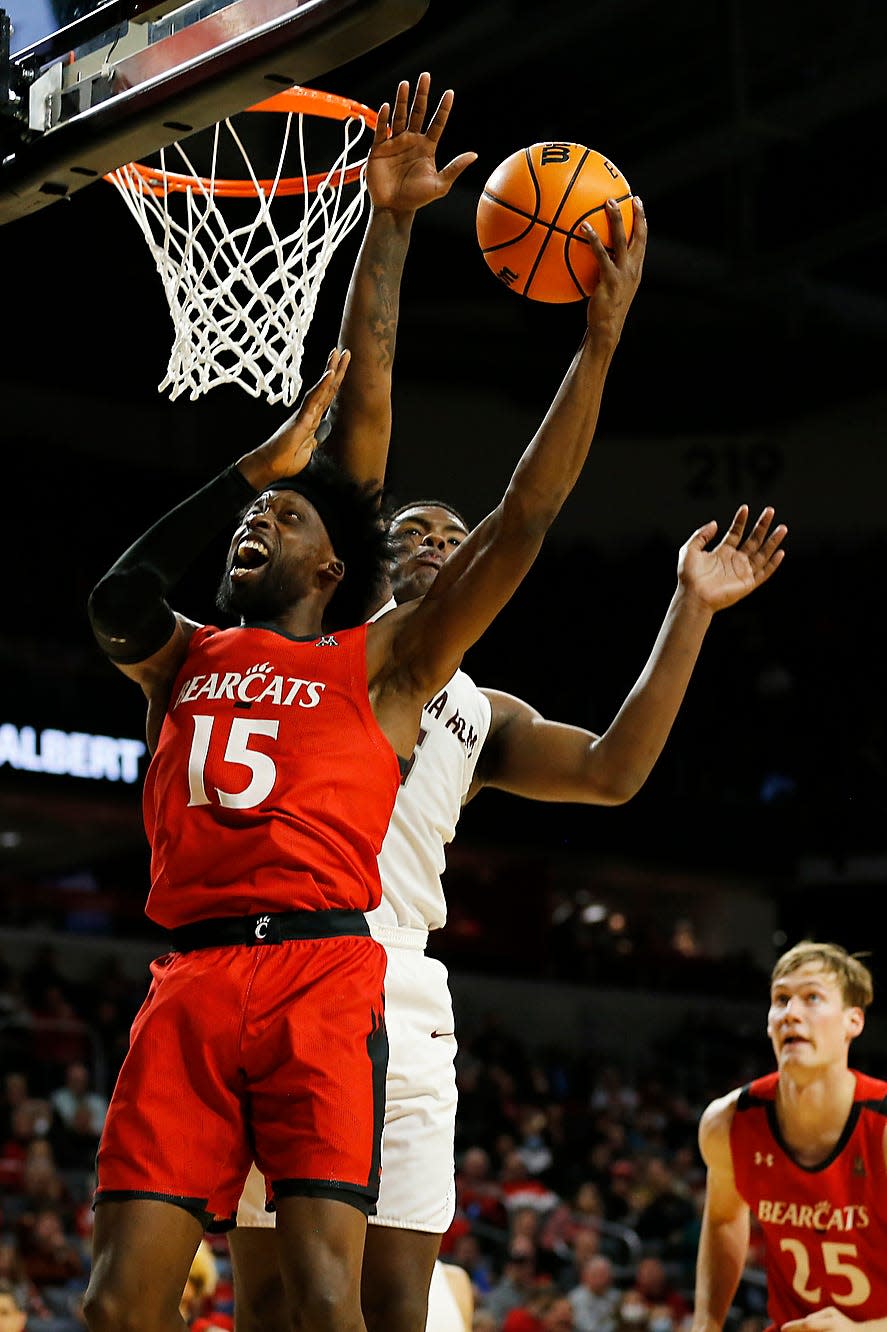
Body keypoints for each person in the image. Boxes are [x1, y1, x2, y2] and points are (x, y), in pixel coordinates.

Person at [80, 64, 647, 1331]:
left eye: (281, 514)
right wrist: (254, 456)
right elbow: (117, 598)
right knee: (121, 1307)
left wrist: (597, 340)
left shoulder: (378, 666)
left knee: (328, 1306)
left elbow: (520, 515)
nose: (257, 522)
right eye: (251, 512)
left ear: (333, 567)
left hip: (329, 982)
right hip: (190, 979)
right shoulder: (185, 654)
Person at [228, 71, 787, 1332]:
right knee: (269, 1305)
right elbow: (369, 385)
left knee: (392, 1306)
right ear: (362, 563)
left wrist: (687, 609)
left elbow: (611, 775)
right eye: (407, 534)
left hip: (405, 995)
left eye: (448, 534)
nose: (431, 545)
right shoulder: (343, 638)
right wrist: (390, 223)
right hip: (285, 968)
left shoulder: (476, 710)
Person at [691, 941, 887, 1332]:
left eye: (812, 997)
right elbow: (724, 1220)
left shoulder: (881, 1127)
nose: (791, 1013)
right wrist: (706, 1325)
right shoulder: (728, 1122)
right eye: (781, 999)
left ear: (854, 1022)